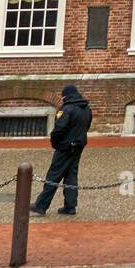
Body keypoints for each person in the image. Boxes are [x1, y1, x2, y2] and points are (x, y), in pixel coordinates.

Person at [29, 83, 93, 217]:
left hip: (65, 147)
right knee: (71, 175)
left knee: (54, 175)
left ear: (66, 96)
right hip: (79, 146)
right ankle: (70, 206)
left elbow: (59, 129)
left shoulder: (67, 109)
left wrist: (55, 142)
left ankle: (41, 205)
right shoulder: (86, 108)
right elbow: (87, 126)